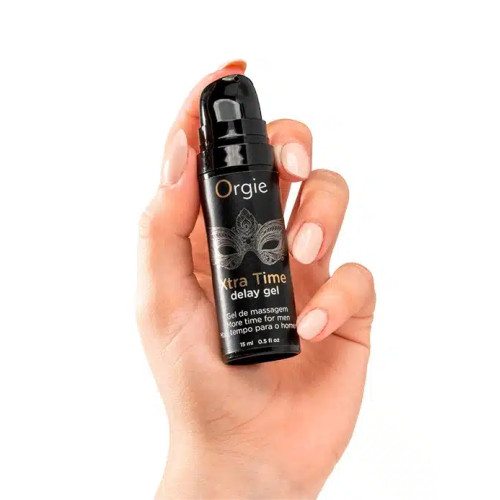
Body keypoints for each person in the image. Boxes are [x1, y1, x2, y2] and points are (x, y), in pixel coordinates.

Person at [136, 60, 376, 499]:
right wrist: (222, 458)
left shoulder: (242, 177)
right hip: (235, 342)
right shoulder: (216, 179)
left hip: (280, 340)